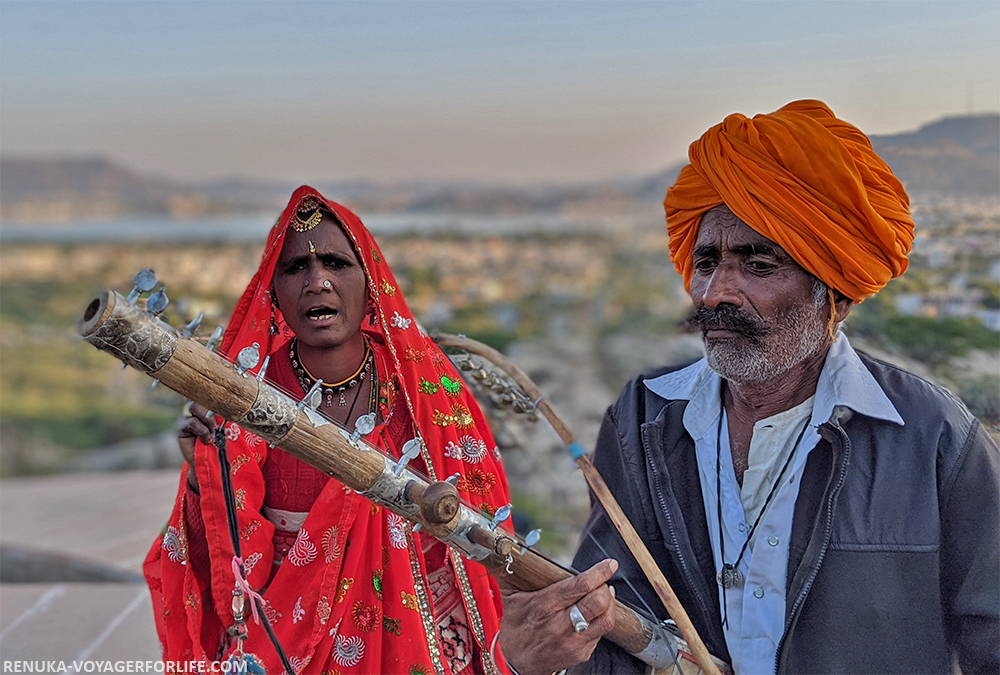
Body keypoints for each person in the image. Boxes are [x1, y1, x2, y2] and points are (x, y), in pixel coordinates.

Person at [498, 100, 999, 674]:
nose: (715, 292)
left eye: (757, 265)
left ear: (834, 291)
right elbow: (617, 629)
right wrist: (540, 656)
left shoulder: (933, 439)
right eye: (706, 261)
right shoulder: (643, 419)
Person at [144, 186, 512, 675]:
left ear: (370, 281)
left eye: (337, 263)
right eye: (296, 268)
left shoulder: (421, 382)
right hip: (290, 640)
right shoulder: (246, 391)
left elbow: (481, 513)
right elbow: (223, 545)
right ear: (272, 291)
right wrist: (203, 476)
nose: (317, 281)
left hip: (428, 640)